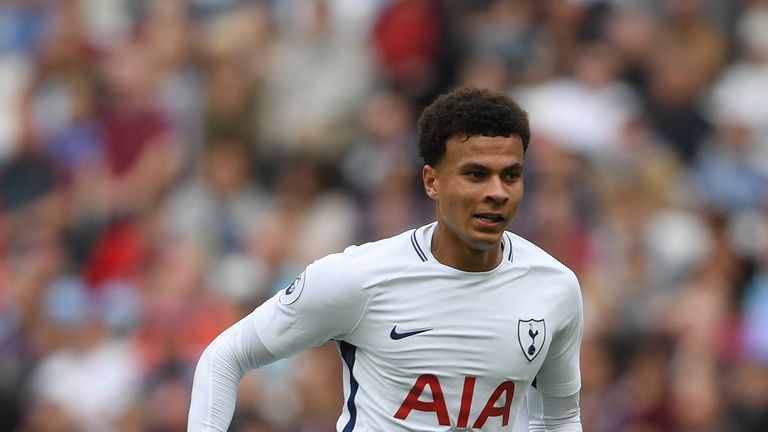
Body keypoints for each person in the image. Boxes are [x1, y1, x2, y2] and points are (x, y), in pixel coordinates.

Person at [188, 87, 584, 431]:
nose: (497, 192)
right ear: (432, 181)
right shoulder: (358, 278)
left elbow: (559, 418)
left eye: (510, 175)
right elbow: (224, 357)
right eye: (476, 175)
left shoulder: (554, 288)